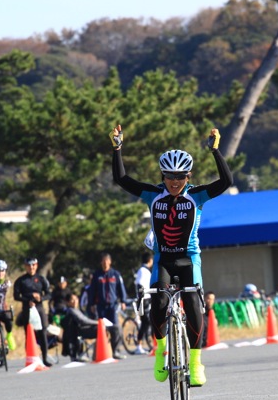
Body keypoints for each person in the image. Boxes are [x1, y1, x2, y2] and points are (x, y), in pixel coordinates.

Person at [111, 124, 233, 386]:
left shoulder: (197, 195)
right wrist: (117, 148)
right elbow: (122, 179)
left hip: (189, 258)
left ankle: (196, 362)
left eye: (180, 176)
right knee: (158, 303)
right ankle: (160, 353)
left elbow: (226, 182)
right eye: (169, 176)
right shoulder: (152, 195)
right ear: (162, 176)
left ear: (188, 176)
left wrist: (216, 151)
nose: (175, 181)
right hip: (164, 258)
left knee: (192, 303)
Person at [88, 252, 128, 360]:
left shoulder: (115, 274)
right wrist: (91, 304)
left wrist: (123, 301)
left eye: (107, 261)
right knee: (102, 330)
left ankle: (116, 351)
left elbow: (121, 288)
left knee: (116, 328)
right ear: (101, 262)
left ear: (110, 262)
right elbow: (92, 291)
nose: (105, 263)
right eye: (103, 261)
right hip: (101, 306)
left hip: (113, 306)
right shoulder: (97, 275)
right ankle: (100, 352)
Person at [14, 257, 52, 366]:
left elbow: (49, 294)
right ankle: (31, 358)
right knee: (30, 334)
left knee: (43, 333)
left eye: (33, 265)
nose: (31, 267)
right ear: (25, 267)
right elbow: (16, 296)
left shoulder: (41, 279)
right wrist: (28, 298)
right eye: (29, 265)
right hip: (27, 308)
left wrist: (41, 298)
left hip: (39, 308)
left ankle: (44, 358)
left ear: (36, 266)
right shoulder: (21, 280)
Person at [62, 293, 111, 362]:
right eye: (72, 300)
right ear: (68, 302)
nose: (75, 301)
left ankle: (97, 354)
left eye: (76, 299)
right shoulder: (71, 311)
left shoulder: (76, 310)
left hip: (82, 329)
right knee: (100, 330)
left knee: (102, 329)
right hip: (79, 331)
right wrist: (98, 323)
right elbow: (83, 321)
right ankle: (97, 354)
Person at [134, 252, 154, 355]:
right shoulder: (143, 270)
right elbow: (140, 285)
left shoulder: (145, 270)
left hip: (147, 299)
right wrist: (141, 299)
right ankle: (139, 345)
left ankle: (146, 345)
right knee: (147, 322)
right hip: (144, 299)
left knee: (147, 323)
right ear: (150, 260)